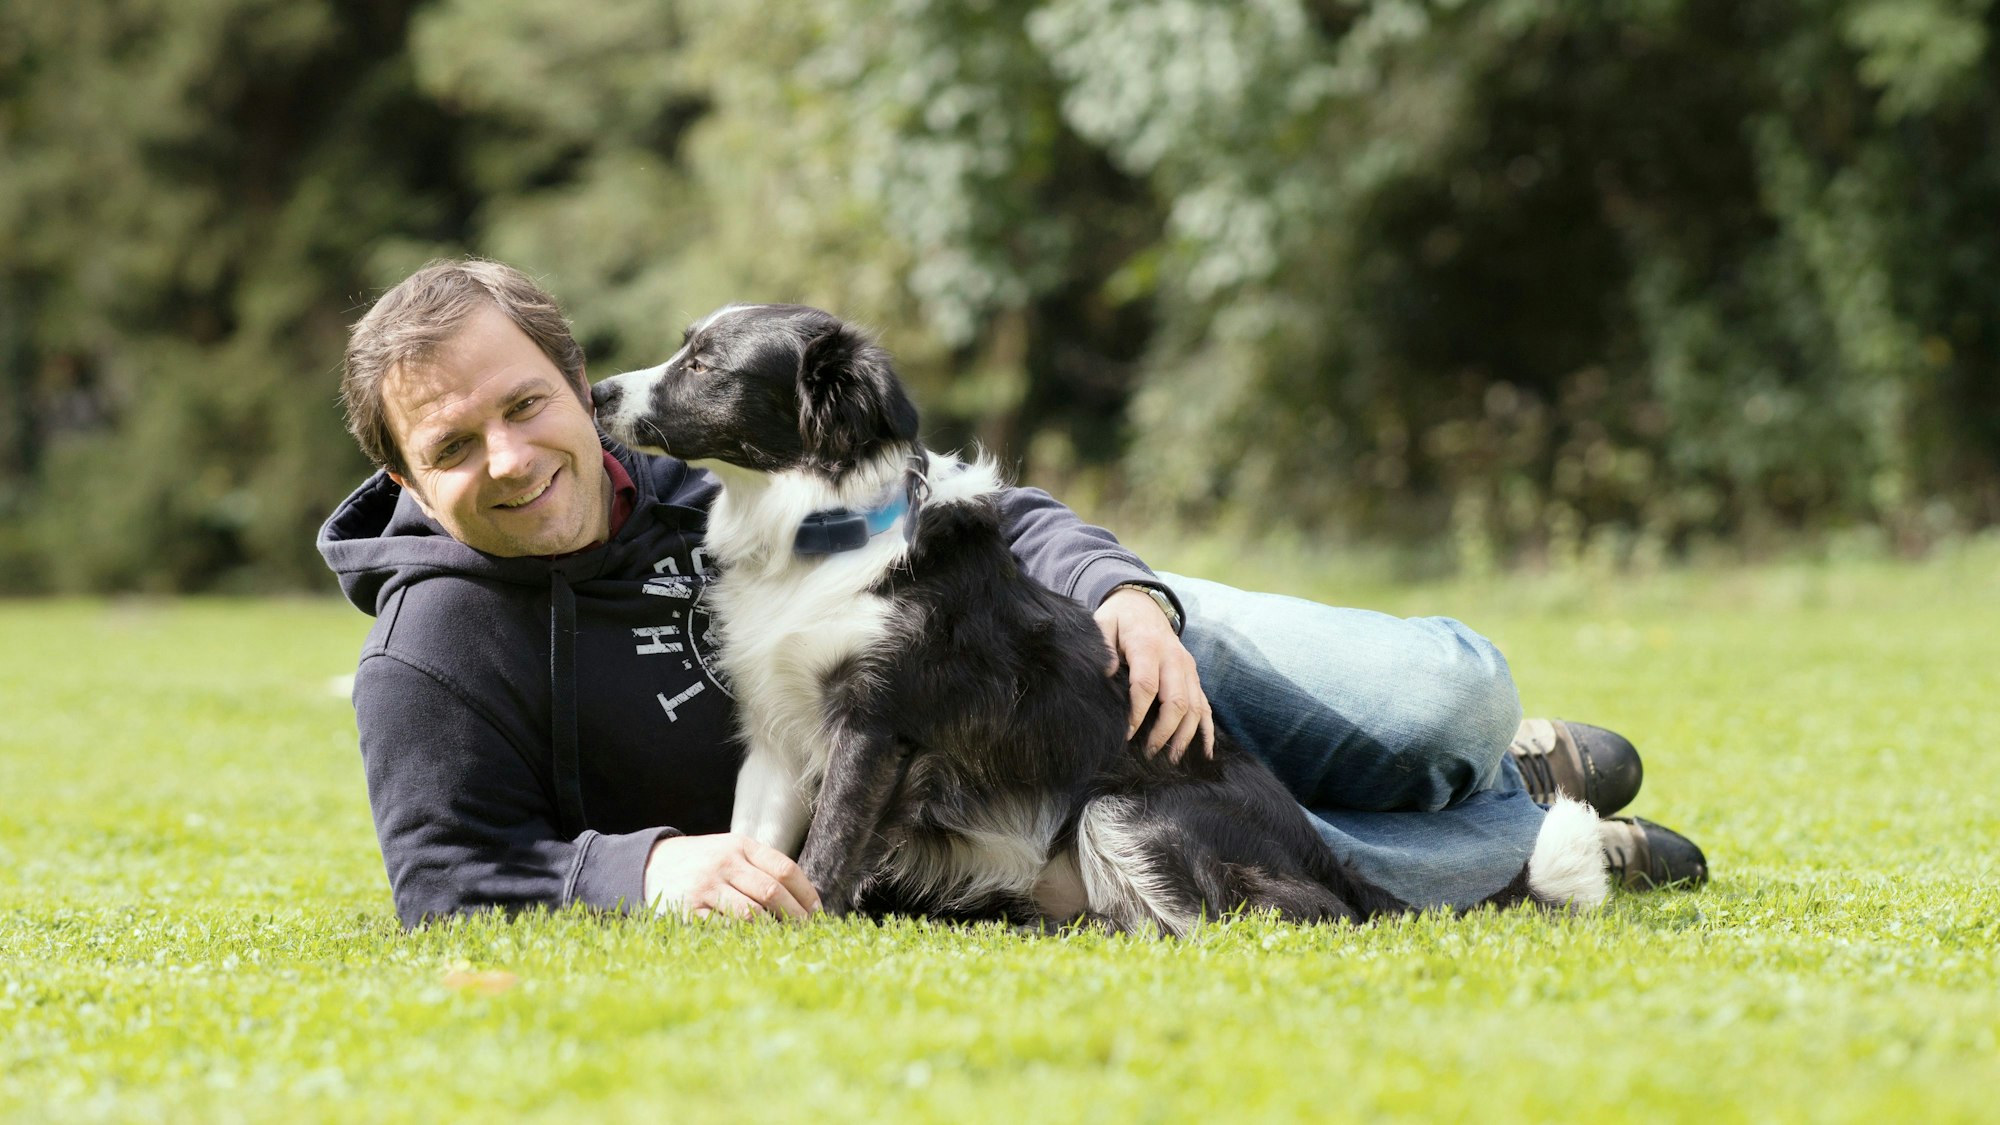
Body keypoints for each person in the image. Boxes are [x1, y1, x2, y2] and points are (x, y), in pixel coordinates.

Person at [318, 259, 1707, 928]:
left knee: (1444, 695)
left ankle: (1496, 759)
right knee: (1191, 843)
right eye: (454, 446)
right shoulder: (435, 653)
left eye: (525, 405)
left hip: (1066, 632)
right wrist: (646, 865)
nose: (511, 460)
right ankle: (1527, 825)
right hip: (959, 796)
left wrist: (1127, 593)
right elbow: (444, 874)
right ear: (405, 477)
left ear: (576, 387)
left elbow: (972, 503)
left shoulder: (713, 462)